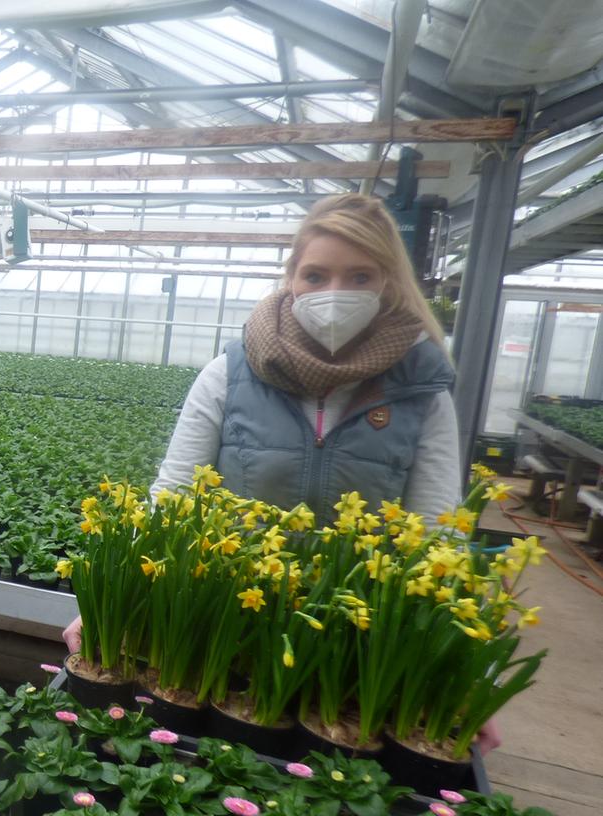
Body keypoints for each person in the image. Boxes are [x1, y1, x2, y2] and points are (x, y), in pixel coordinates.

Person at [59, 193, 501, 753]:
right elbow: (172, 499)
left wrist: (454, 675)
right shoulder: (230, 374)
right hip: (222, 632)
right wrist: (105, 614)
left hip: (349, 652)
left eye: (358, 275)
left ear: (388, 283)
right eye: (316, 275)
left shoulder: (422, 393)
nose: (334, 293)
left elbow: (439, 533)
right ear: (291, 278)